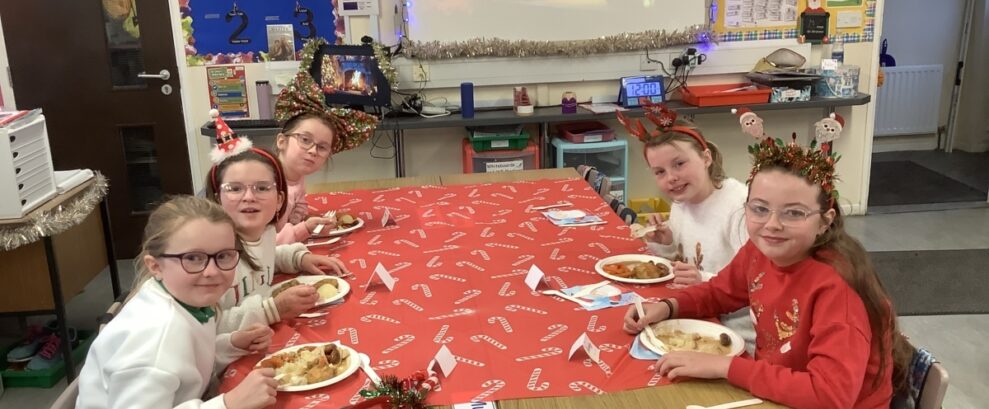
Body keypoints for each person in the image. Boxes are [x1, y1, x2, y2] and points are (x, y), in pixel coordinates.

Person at [623, 116, 911, 408]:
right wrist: (668, 307)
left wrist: (725, 367)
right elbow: (719, 292)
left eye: (794, 213)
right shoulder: (760, 251)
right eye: (760, 209)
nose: (772, 224)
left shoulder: (838, 289)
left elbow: (830, 395)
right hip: (776, 388)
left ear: (825, 221)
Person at [77, 196, 277, 409]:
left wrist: (230, 345)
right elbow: (164, 358)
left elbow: (183, 366)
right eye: (192, 258)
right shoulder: (154, 339)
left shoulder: (185, 299)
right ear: (155, 266)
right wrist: (228, 404)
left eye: (224, 256)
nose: (212, 271)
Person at [617, 103, 753, 349]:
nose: (671, 177)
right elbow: (680, 258)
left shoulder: (738, 207)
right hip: (697, 312)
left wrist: (703, 279)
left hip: (737, 332)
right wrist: (666, 242)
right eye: (660, 172)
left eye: (679, 164)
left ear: (706, 158)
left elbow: (756, 280)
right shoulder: (681, 203)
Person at [205, 111, 349, 333]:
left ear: (280, 199)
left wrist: (298, 258)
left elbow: (265, 256)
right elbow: (207, 327)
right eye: (234, 188)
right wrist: (272, 310)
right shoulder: (210, 259)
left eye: (262, 188)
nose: (249, 197)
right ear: (217, 198)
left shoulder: (266, 232)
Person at [272, 37, 378, 244]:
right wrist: (303, 229)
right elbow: (259, 244)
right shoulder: (267, 185)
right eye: (305, 140)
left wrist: (301, 220)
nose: (313, 151)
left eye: (322, 147)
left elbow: (295, 211)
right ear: (281, 141)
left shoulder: (295, 176)